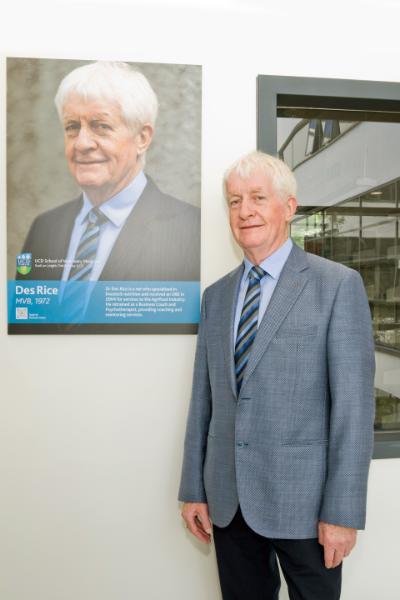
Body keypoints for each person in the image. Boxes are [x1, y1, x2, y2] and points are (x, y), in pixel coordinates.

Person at [179, 151, 375, 600]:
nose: (244, 210)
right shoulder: (217, 296)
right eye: (233, 201)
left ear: (288, 207)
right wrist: (194, 488)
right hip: (229, 504)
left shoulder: (336, 286)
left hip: (307, 508)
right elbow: (203, 400)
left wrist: (342, 511)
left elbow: (353, 408)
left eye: (257, 198)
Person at [17, 61, 200, 284]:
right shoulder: (44, 228)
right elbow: (26, 316)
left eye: (101, 126)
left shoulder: (189, 231)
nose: (82, 144)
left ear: (142, 138)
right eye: (72, 127)